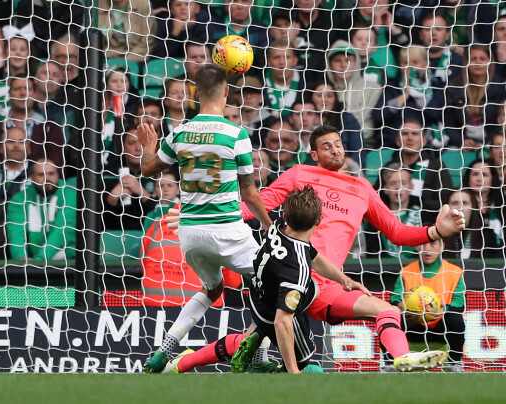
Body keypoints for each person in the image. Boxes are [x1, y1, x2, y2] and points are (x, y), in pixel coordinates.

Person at [161, 124, 465, 373]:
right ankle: (181, 363)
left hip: (328, 284)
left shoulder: (362, 188)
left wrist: (437, 230)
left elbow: (396, 232)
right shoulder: (300, 174)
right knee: (256, 343)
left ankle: (402, 358)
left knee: (386, 310)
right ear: (315, 154)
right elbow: (258, 204)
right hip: (289, 275)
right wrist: (200, 215)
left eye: (338, 143)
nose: (335, 149)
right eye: (327, 146)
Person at [136, 63, 272, 372]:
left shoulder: (180, 132)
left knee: (212, 288)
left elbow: (147, 169)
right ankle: (260, 359)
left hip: (191, 234)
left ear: (196, 94)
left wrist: (147, 146)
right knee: (269, 285)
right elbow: (249, 193)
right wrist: (270, 226)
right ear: (226, 92)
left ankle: (164, 351)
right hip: (226, 230)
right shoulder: (236, 134)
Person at [167, 186, 370, 374]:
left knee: (300, 298)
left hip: (258, 294)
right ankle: (261, 346)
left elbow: (312, 254)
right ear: (319, 221)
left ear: (285, 215)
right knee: (310, 366)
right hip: (273, 312)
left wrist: (344, 279)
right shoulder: (296, 269)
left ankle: (186, 362)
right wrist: (293, 371)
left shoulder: (278, 227)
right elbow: (282, 322)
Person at [390, 235, 466, 371]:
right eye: (423, 245)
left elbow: (459, 304)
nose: (427, 249)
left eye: (432, 244)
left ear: (442, 246)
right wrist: (402, 307)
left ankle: (455, 363)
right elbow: (395, 299)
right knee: (389, 318)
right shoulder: (406, 272)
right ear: (416, 246)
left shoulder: (455, 272)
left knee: (456, 319)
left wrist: (444, 309)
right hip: (413, 323)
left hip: (441, 325)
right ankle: (390, 363)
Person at [0, 76, 66, 167]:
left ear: (35, 95)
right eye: (17, 89)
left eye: (27, 89)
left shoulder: (50, 129)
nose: (23, 93)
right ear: (9, 96)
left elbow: (57, 167)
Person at [6, 159, 77, 260]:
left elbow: (61, 232)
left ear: (58, 175)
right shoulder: (19, 199)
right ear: (32, 178)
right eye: (41, 175)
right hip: (30, 261)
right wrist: (21, 258)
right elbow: (16, 232)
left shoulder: (70, 196)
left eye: (51, 174)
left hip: (67, 261)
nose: (47, 178)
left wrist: (38, 261)